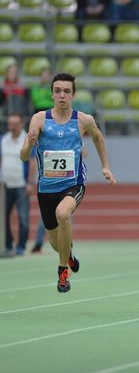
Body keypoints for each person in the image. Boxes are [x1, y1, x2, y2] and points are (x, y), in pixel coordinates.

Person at [20, 72, 116, 293]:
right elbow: (24, 156)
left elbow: (98, 138)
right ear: (52, 94)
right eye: (57, 91)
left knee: (63, 214)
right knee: (55, 243)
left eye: (66, 91)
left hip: (73, 184)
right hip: (46, 188)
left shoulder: (83, 120)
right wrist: (28, 145)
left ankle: (63, 272)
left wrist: (106, 167)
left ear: (73, 95)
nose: (62, 95)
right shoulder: (39, 119)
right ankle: (68, 254)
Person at [1, 113, 36, 256]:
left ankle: (21, 246)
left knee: (23, 217)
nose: (12, 126)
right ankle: (8, 245)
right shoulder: (3, 139)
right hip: (5, 185)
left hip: (21, 185)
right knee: (3, 217)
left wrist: (30, 183)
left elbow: (32, 162)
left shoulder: (26, 139)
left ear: (21, 124)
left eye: (15, 123)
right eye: (10, 123)